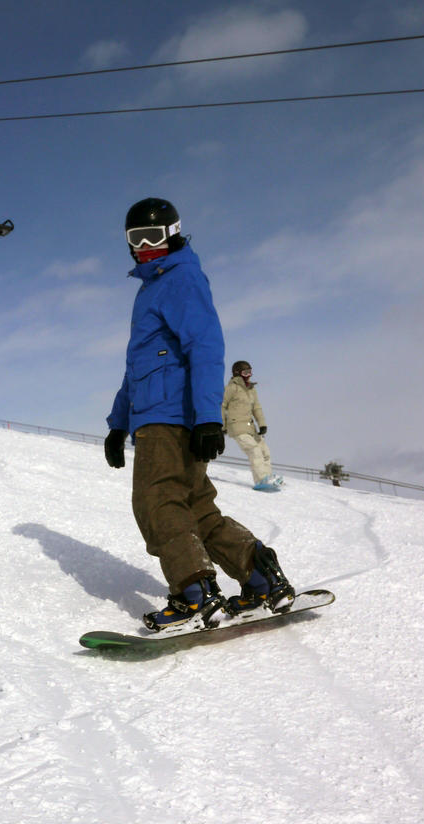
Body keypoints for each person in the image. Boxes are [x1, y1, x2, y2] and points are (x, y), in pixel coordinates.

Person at [104, 198, 294, 630]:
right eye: (137, 239)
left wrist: (209, 416)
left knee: (157, 502)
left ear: (173, 234)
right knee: (195, 508)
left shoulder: (179, 278)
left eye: (154, 237)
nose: (146, 247)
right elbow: (137, 368)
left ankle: (194, 592)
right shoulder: (153, 287)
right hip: (163, 414)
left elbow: (206, 346)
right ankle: (261, 576)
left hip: (167, 418)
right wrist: (118, 425)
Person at [221, 361, 283, 490]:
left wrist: (262, 424)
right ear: (237, 373)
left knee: (265, 452)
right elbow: (222, 406)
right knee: (254, 450)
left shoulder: (251, 389)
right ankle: (261, 480)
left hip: (250, 427)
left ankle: (268, 478)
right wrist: (222, 426)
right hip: (237, 426)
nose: (249, 375)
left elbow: (256, 408)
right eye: (245, 373)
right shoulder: (231, 388)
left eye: (250, 372)